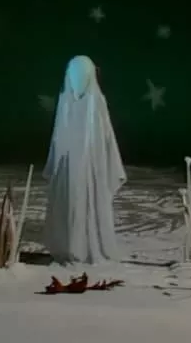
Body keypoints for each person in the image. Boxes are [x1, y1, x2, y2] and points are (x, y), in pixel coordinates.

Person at [43, 55, 127, 264]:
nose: (77, 80)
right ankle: (68, 246)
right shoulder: (65, 102)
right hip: (67, 167)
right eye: (73, 75)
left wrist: (106, 164)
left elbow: (106, 138)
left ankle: (87, 247)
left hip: (91, 168)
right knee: (69, 205)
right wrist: (56, 163)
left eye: (81, 75)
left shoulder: (96, 103)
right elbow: (58, 136)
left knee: (86, 205)